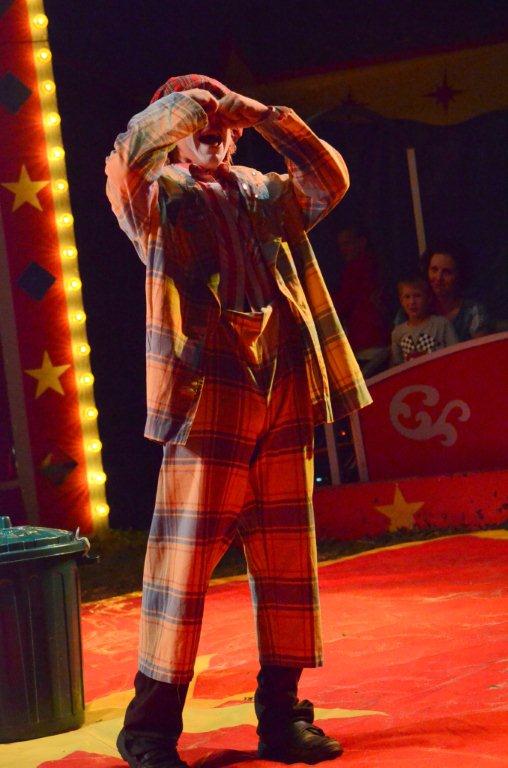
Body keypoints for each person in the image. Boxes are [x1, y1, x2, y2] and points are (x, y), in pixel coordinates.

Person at [106, 74, 371, 768]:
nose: (211, 129)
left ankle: (283, 719)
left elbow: (330, 179)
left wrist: (264, 115)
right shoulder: (159, 194)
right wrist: (185, 107)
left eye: (220, 121)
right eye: (195, 121)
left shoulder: (263, 191)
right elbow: (130, 157)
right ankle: (149, 731)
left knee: (287, 554)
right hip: (211, 377)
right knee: (184, 559)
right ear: (175, 132)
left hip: (282, 368)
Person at [330, 227, 390, 374]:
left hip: (369, 344)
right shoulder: (377, 265)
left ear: (361, 242)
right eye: (341, 245)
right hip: (376, 340)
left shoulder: (357, 269)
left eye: (347, 243)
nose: (343, 250)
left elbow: (342, 304)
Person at [422, 241, 490, 341]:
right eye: (434, 270)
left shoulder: (473, 312)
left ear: (459, 275)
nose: (438, 277)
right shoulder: (412, 309)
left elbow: (482, 349)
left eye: (446, 272)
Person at [391, 274, 458, 366]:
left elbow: (455, 355)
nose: (412, 302)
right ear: (401, 301)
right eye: (407, 297)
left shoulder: (441, 325)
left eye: (417, 296)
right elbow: (397, 366)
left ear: (428, 298)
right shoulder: (397, 333)